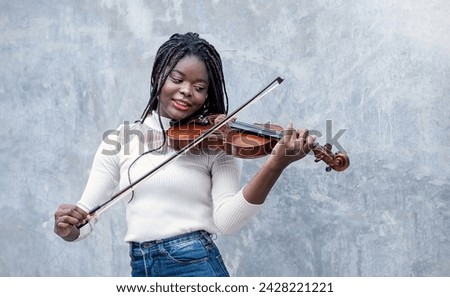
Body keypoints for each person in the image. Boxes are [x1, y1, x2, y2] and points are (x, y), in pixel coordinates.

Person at [53, 32, 316, 277]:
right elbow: (84, 218)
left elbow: (227, 222)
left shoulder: (216, 143)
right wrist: (68, 228)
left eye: (199, 87)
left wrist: (275, 166)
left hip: (196, 265)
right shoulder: (119, 140)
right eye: (177, 80)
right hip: (141, 267)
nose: (187, 91)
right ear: (158, 76)